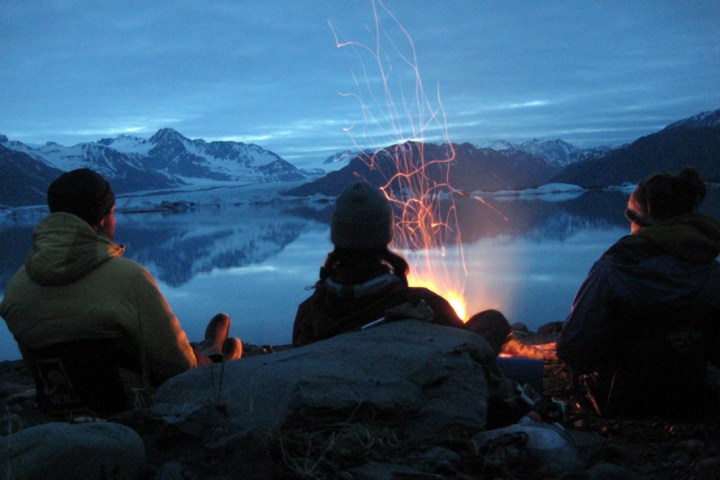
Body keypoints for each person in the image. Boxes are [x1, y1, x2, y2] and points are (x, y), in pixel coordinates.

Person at [0, 168, 242, 415]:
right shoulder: (128, 278)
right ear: (103, 218)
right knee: (197, 360)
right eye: (113, 212)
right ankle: (216, 358)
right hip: (131, 411)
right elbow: (177, 366)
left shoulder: (16, 287)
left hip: (57, 407)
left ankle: (211, 347)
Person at [557, 167, 720, 418]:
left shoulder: (616, 268)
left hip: (621, 402)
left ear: (645, 219)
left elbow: (574, 351)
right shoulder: (710, 268)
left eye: (630, 215)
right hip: (690, 397)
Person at [292, 181, 512, 351]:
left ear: (337, 235)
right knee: (493, 321)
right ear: (386, 235)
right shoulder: (423, 304)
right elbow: (466, 348)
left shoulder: (309, 313)